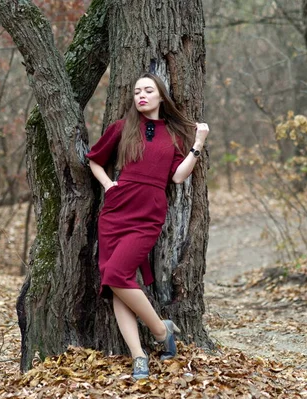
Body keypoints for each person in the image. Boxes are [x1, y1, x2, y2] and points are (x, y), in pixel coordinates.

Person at [86, 73, 210, 380]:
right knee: (116, 282)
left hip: (148, 213)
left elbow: (179, 176)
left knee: (116, 275)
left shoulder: (175, 135)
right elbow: (95, 160)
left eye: (148, 90)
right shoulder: (122, 128)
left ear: (160, 96)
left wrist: (198, 143)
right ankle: (140, 355)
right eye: (137, 91)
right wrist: (109, 186)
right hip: (116, 210)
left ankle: (159, 330)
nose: (141, 95)